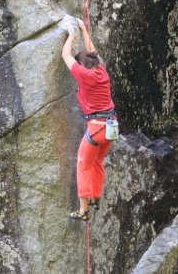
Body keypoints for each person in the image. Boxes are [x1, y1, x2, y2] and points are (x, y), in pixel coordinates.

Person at [61, 17, 117, 221]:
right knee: (98, 162)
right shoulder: (101, 71)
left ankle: (83, 210)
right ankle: (95, 198)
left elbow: (65, 54)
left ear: (82, 67)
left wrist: (72, 34)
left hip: (96, 129)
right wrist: (84, 29)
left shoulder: (84, 75)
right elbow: (92, 51)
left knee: (84, 164)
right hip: (111, 127)